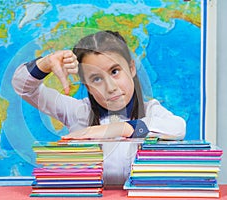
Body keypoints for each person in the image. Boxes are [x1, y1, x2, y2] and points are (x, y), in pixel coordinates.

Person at [12, 30, 186, 185]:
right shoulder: (77, 112)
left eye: (115, 71)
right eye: (96, 79)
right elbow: (23, 87)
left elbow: (178, 127)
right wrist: (46, 63)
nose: (110, 87)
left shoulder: (150, 110)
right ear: (87, 86)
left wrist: (119, 129)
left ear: (132, 68)